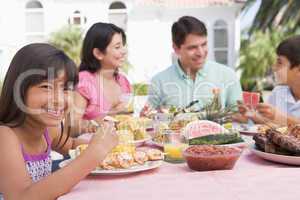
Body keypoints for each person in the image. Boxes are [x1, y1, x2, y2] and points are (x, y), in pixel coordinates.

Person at [0, 43, 118, 200]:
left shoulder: (49, 130)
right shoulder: (5, 136)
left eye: (65, 89)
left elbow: (72, 146)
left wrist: (102, 142)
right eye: (46, 87)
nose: (59, 99)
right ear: (18, 90)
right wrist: (93, 154)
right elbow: (21, 197)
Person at [141, 16, 242, 115]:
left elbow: (242, 118)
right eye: (192, 48)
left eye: (204, 44)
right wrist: (145, 116)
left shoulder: (228, 75)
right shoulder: (159, 82)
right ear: (176, 48)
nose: (201, 53)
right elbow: (148, 119)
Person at [72, 22, 131, 135]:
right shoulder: (84, 81)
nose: (124, 51)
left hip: (120, 148)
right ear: (98, 53)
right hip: (91, 148)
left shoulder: (123, 81)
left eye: (123, 45)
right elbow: (71, 127)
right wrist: (109, 116)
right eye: (117, 47)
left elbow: (126, 120)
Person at [238, 35, 300, 126]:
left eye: (279, 63)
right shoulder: (278, 92)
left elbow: (278, 119)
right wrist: (252, 115)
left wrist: (278, 116)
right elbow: (270, 124)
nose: (274, 68)